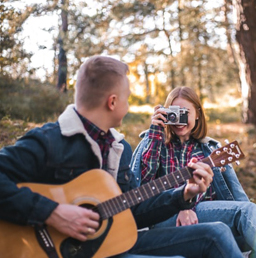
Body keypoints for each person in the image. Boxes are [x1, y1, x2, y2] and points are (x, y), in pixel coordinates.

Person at [0, 56, 244, 258]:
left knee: (215, 234)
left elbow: (134, 211)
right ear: (112, 102)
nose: (128, 106)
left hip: (108, 244)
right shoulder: (50, 140)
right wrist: (52, 212)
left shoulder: (120, 149)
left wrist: (183, 195)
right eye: (127, 98)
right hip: (51, 250)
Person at [131, 86, 256, 257]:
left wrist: (189, 204)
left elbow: (215, 195)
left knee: (248, 210)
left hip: (202, 212)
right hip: (161, 217)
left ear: (197, 114)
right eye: (174, 113)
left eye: (185, 113)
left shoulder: (208, 150)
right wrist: (154, 133)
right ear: (165, 113)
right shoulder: (156, 142)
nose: (180, 120)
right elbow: (143, 184)